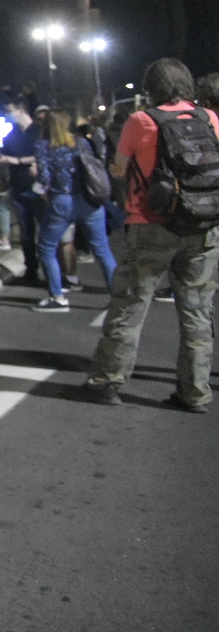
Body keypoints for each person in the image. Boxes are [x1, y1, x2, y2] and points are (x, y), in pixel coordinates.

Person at [83, 59, 219, 411]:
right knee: (197, 311)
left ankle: (107, 381)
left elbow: (118, 168)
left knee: (130, 305)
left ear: (151, 88)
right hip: (202, 225)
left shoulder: (141, 120)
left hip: (150, 224)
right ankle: (195, 392)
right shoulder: (209, 118)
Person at [31, 109, 117, 313]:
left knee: (46, 248)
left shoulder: (43, 145)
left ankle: (57, 297)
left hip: (62, 200)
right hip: (88, 200)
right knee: (102, 250)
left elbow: (44, 178)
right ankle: (118, 296)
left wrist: (36, 175)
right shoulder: (80, 142)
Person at [0, 95, 44, 284]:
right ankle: (31, 270)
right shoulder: (12, 135)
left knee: (46, 231)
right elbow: (4, 157)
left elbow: (43, 155)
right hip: (18, 187)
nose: (7, 115)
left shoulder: (39, 131)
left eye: (9, 111)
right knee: (26, 234)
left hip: (39, 188)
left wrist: (18, 161)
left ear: (21, 110)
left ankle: (53, 273)